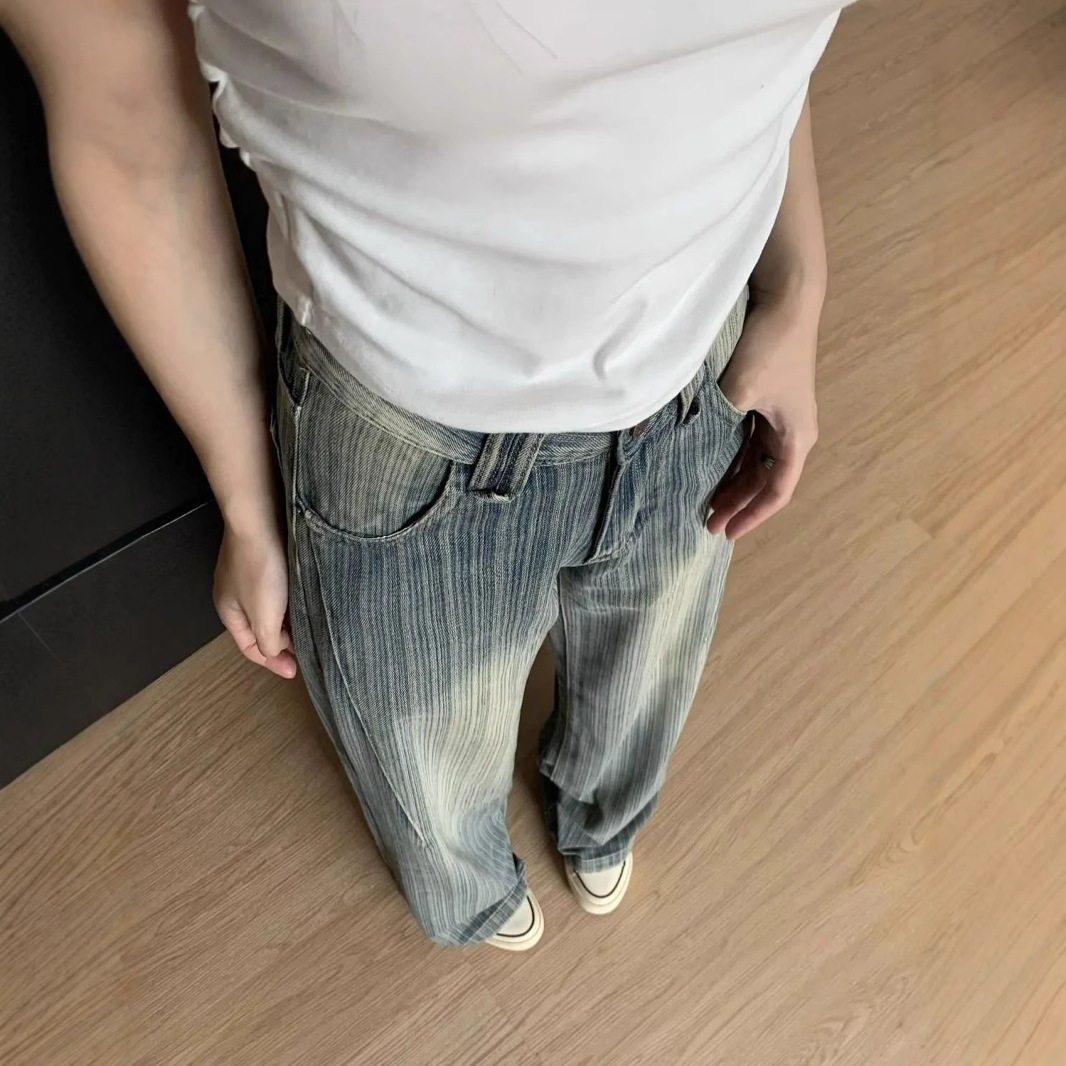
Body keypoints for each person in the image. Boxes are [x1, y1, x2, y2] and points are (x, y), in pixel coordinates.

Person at [3, 0, 842, 949]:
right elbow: (127, 122)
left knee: (649, 669)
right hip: (408, 428)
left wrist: (798, 286)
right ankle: (473, 893)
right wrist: (245, 497)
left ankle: (604, 818)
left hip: (703, 369)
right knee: (426, 752)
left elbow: (758, 54)